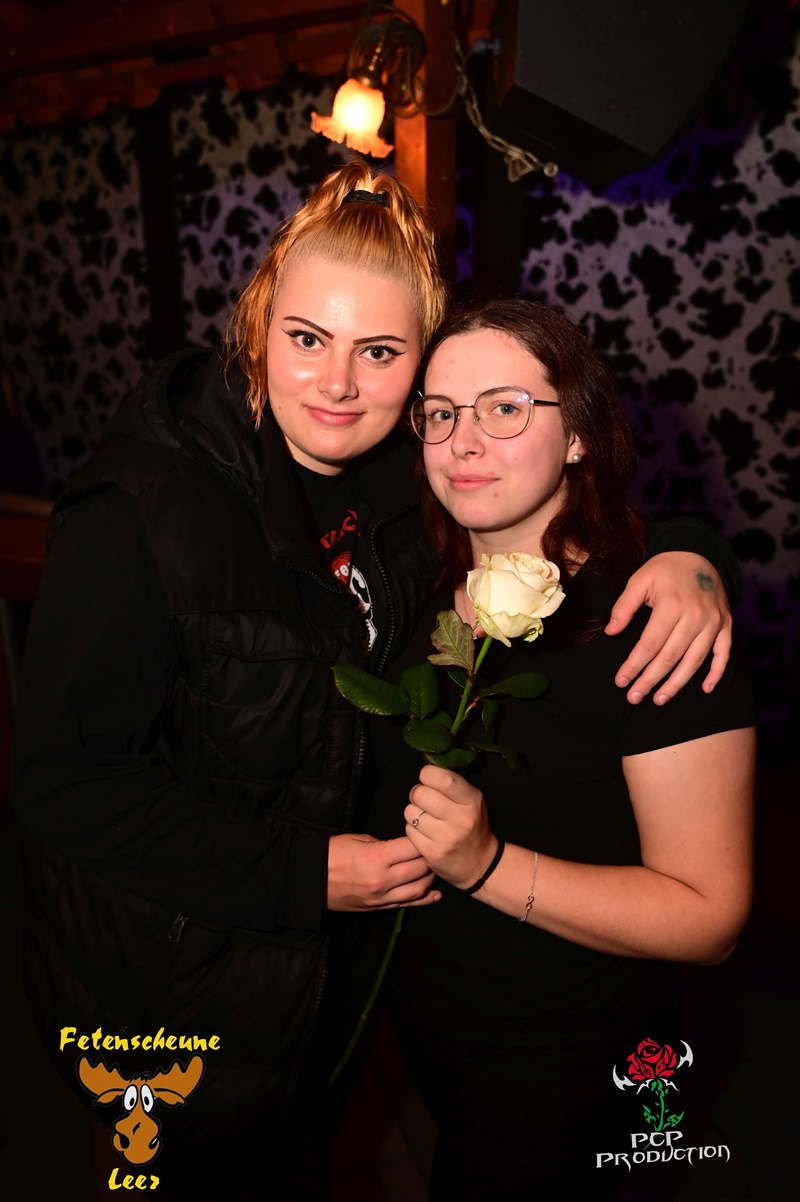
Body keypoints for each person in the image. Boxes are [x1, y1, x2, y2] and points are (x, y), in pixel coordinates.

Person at [12, 163, 739, 1201]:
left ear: (417, 372)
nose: (338, 384)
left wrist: (689, 551)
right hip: (177, 985)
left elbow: (549, 483)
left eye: (381, 352)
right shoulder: (140, 513)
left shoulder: (409, 480)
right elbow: (59, 783)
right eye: (307, 338)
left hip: (339, 993)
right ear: (259, 325)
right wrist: (302, 872)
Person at [368, 297, 756, 1201]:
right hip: (432, 1034)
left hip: (563, 1063)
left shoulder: (655, 633)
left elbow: (710, 918)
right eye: (440, 412)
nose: (464, 441)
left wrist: (487, 865)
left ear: (578, 433)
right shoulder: (415, 582)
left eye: (505, 408)